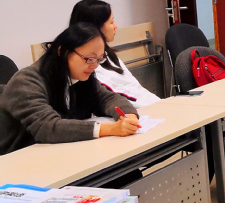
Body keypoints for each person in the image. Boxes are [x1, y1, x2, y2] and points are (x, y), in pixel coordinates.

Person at [0, 23, 140, 155]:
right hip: (17, 159)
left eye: (99, 59)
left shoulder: (79, 76)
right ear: (63, 52)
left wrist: (128, 116)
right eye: (90, 58)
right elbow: (47, 127)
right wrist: (110, 129)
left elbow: (107, 98)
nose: (95, 65)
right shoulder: (26, 82)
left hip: (60, 152)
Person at [69, 0, 161, 109]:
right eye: (111, 22)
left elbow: (135, 88)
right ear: (95, 27)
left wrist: (162, 104)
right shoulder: (86, 68)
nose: (115, 26)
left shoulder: (107, 54)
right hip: (132, 111)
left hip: (146, 108)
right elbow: (116, 97)